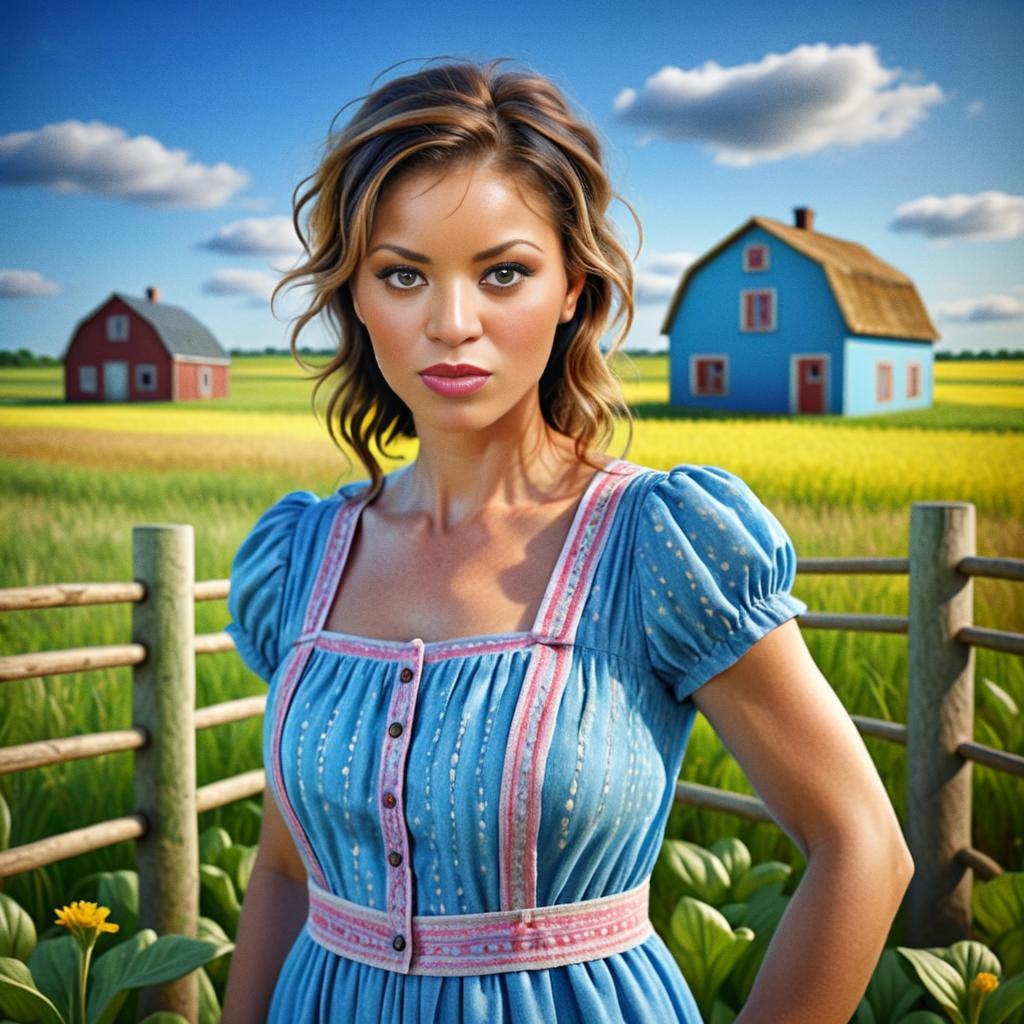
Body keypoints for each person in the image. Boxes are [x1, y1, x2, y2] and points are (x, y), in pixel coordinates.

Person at [221, 58, 914, 1024]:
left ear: (572, 290)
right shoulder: (300, 557)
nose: (451, 324)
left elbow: (864, 846)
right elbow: (288, 866)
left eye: (503, 272)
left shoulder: (662, 546)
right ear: (358, 296)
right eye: (403, 273)